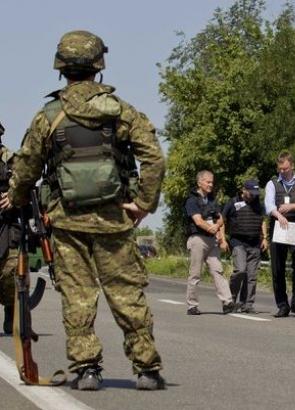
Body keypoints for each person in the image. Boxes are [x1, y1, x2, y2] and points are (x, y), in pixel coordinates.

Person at [0, 31, 165, 390]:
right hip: (114, 219)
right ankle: (147, 369)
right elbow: (153, 156)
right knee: (126, 293)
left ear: (61, 68)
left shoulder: (49, 115)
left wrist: (15, 195)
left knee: (77, 295)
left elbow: (27, 166)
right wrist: (143, 204)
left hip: (67, 221)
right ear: (98, 66)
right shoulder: (121, 111)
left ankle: (87, 369)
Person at [264, 151, 295, 317]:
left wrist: (292, 206)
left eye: (285, 168)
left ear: (292, 166)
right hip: (278, 227)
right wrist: (278, 215)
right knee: (277, 268)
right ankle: (282, 304)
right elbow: (269, 205)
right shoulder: (272, 184)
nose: (282, 172)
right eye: (280, 169)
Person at [184, 170, 235, 315]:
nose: (211, 184)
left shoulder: (212, 200)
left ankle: (227, 302)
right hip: (198, 239)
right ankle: (192, 305)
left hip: (212, 240)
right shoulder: (191, 200)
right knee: (195, 273)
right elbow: (198, 221)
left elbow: (219, 218)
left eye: (212, 182)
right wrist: (211, 228)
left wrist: (217, 228)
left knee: (217, 270)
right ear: (199, 182)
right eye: (208, 182)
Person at [221, 179, 267, 314]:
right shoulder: (233, 202)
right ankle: (230, 301)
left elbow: (263, 220)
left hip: (254, 243)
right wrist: (222, 239)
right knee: (240, 270)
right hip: (238, 242)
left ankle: (247, 304)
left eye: (255, 193)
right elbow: (222, 220)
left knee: (251, 276)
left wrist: (265, 238)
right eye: (251, 192)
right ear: (244, 190)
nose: (253, 195)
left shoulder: (258, 204)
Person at [0, 121, 17, 335]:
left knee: (9, 274)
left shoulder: (9, 159)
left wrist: (13, 196)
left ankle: (11, 310)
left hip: (6, 223)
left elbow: (26, 181)